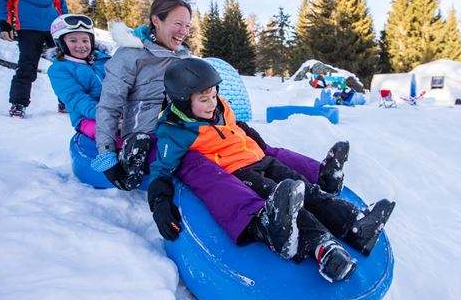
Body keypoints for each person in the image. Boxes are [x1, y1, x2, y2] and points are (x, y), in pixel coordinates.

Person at [148, 59, 396, 283]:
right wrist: (159, 202)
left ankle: (356, 225)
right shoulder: (174, 131)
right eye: (204, 99)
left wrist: (253, 139)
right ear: (182, 100)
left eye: (214, 95)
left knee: (307, 191)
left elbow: (234, 126)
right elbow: (161, 169)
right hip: (239, 173)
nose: (212, 103)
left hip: (261, 159)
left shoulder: (219, 107)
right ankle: (324, 249)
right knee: (288, 205)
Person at [90, 0, 346, 196]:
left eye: (187, 26)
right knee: (211, 163)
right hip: (153, 135)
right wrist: (106, 154)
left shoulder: (184, 56)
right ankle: (259, 203)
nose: (183, 31)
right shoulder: (130, 56)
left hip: (193, 127)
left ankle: (321, 175)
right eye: (177, 24)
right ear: (156, 20)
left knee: (251, 143)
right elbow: (109, 106)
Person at [46, 14, 113, 141]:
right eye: (73, 40)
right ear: (61, 44)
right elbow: (75, 98)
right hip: (87, 118)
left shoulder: (105, 60)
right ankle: (110, 158)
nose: (81, 45)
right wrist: (106, 115)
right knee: (109, 134)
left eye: (85, 40)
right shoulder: (59, 69)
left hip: (118, 111)